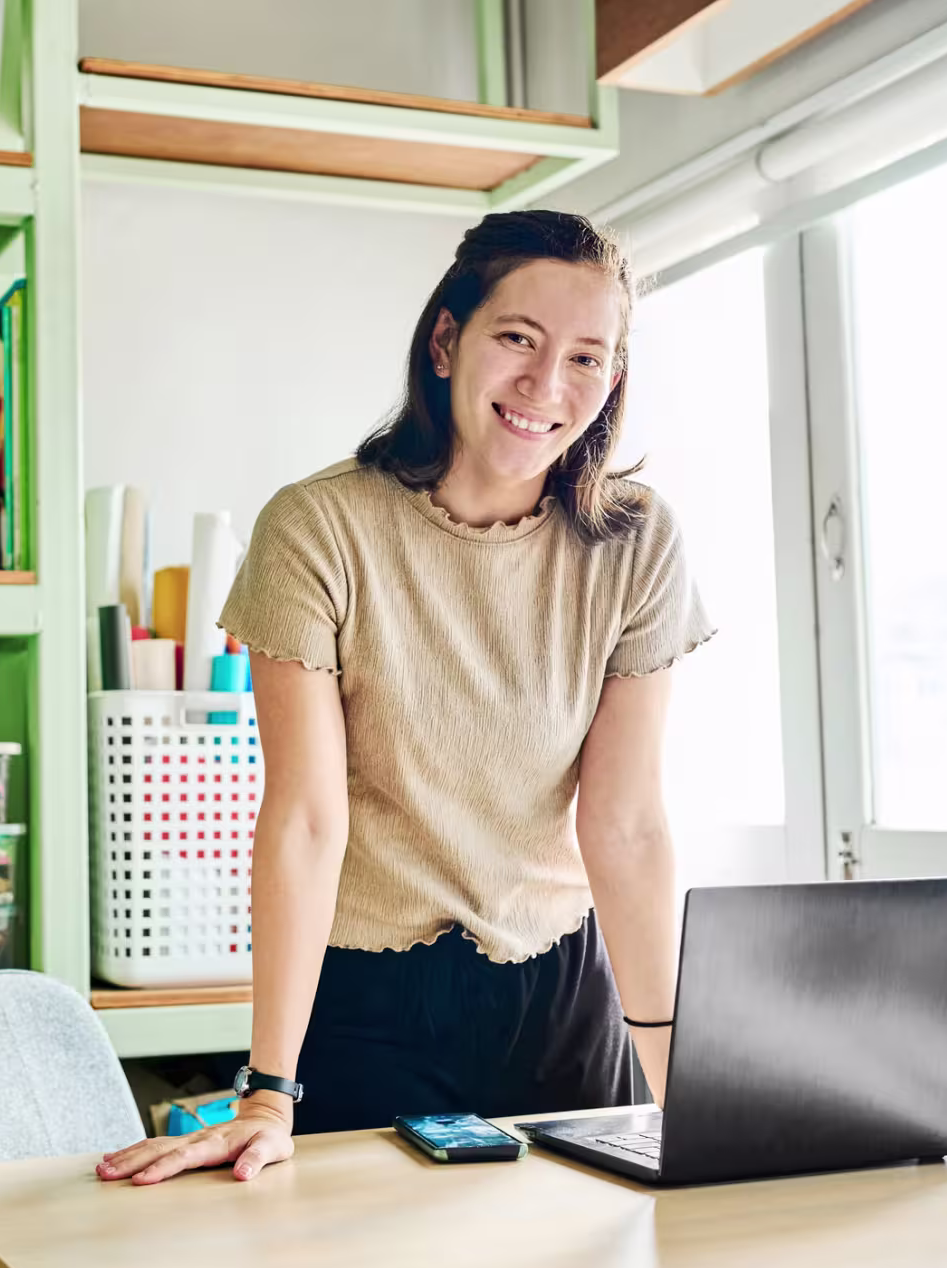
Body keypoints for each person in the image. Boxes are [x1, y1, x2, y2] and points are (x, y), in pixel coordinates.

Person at [98, 210, 710, 1186]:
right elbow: (304, 817)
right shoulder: (319, 527)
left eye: (588, 357)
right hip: (369, 997)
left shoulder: (635, 541)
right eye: (518, 338)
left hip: (562, 991)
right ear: (445, 339)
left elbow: (627, 824)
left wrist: (688, 1082)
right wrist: (267, 1087)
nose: (547, 387)